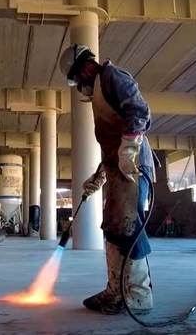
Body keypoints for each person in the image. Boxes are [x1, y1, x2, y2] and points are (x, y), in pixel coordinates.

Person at [59, 44, 154, 315]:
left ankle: (138, 295)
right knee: (113, 228)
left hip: (133, 167)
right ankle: (115, 290)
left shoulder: (113, 76)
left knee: (127, 226)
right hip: (118, 167)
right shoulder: (100, 91)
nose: (79, 86)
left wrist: (130, 148)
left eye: (78, 79)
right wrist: (100, 175)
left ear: (86, 67)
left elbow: (140, 111)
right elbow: (111, 145)